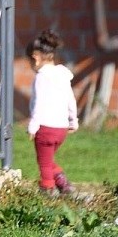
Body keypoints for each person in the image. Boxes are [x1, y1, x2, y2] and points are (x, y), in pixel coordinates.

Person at [26, 29, 78, 195]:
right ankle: (62, 182)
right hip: (61, 129)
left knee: (44, 163)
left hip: (46, 128)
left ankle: (48, 190)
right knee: (47, 160)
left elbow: (38, 104)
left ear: (35, 58)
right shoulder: (61, 75)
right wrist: (73, 120)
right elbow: (71, 99)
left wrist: (33, 127)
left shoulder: (41, 77)